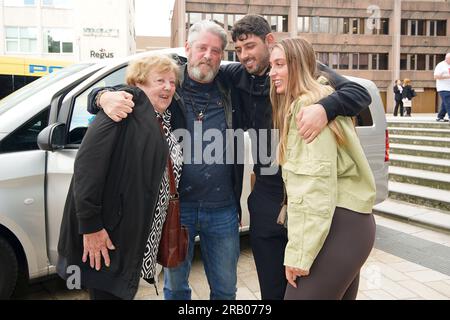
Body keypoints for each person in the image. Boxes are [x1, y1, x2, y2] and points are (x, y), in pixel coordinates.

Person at [87, 20, 242, 300]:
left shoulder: (230, 87)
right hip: (177, 207)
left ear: (223, 56)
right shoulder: (168, 82)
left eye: (216, 50)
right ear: (187, 48)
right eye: (202, 47)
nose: (208, 55)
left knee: (225, 289)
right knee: (176, 288)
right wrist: (101, 97)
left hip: (223, 209)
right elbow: (123, 91)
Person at [222, 14, 372, 300]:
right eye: (238, 50)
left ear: (270, 41)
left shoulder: (307, 80)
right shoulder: (236, 75)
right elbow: (189, 70)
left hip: (308, 199)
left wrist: (325, 109)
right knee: (273, 291)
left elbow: (358, 93)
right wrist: (107, 97)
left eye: (250, 47)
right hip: (268, 199)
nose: (244, 56)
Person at [56, 54, 182, 300]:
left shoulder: (160, 118)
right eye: (159, 81)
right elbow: (87, 167)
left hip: (127, 236)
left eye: (172, 81)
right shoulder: (123, 108)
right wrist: (91, 226)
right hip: (109, 237)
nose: (168, 87)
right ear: (138, 85)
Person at [269, 37, 376, 300]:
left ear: (299, 65)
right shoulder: (322, 98)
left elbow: (313, 189)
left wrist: (299, 255)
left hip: (337, 226)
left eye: (280, 64)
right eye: (272, 65)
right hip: (350, 225)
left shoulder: (307, 107)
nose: (272, 72)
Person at [434, 53, 450, 122]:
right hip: (443, 88)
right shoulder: (440, 65)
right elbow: (435, 76)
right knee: (448, 102)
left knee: (445, 103)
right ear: (446, 58)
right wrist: (447, 76)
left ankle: (440, 117)